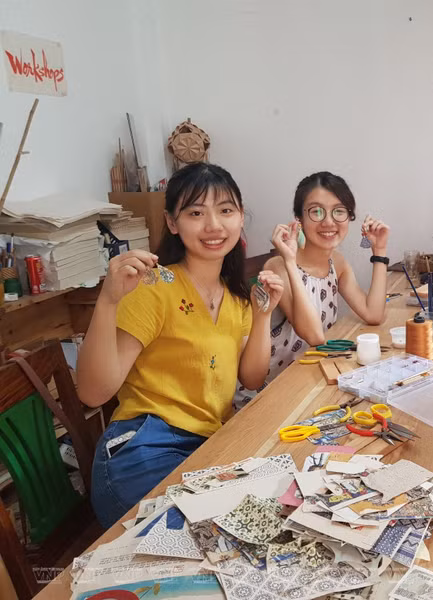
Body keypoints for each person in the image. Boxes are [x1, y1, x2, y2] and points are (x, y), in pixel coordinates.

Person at [77, 163, 283, 528]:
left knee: (267, 518)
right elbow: (93, 393)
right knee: (210, 539)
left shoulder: (236, 298)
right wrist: (107, 301)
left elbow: (252, 379)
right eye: (195, 213)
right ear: (173, 223)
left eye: (225, 211)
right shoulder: (154, 286)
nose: (213, 226)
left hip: (206, 449)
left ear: (240, 218)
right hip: (144, 449)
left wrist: (263, 314)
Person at [262, 171, 390, 383]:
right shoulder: (279, 267)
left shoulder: (337, 263)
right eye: (316, 212)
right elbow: (314, 336)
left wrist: (380, 251)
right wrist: (290, 262)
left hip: (313, 374)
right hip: (274, 386)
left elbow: (373, 314)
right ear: (299, 219)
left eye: (339, 211)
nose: (329, 222)